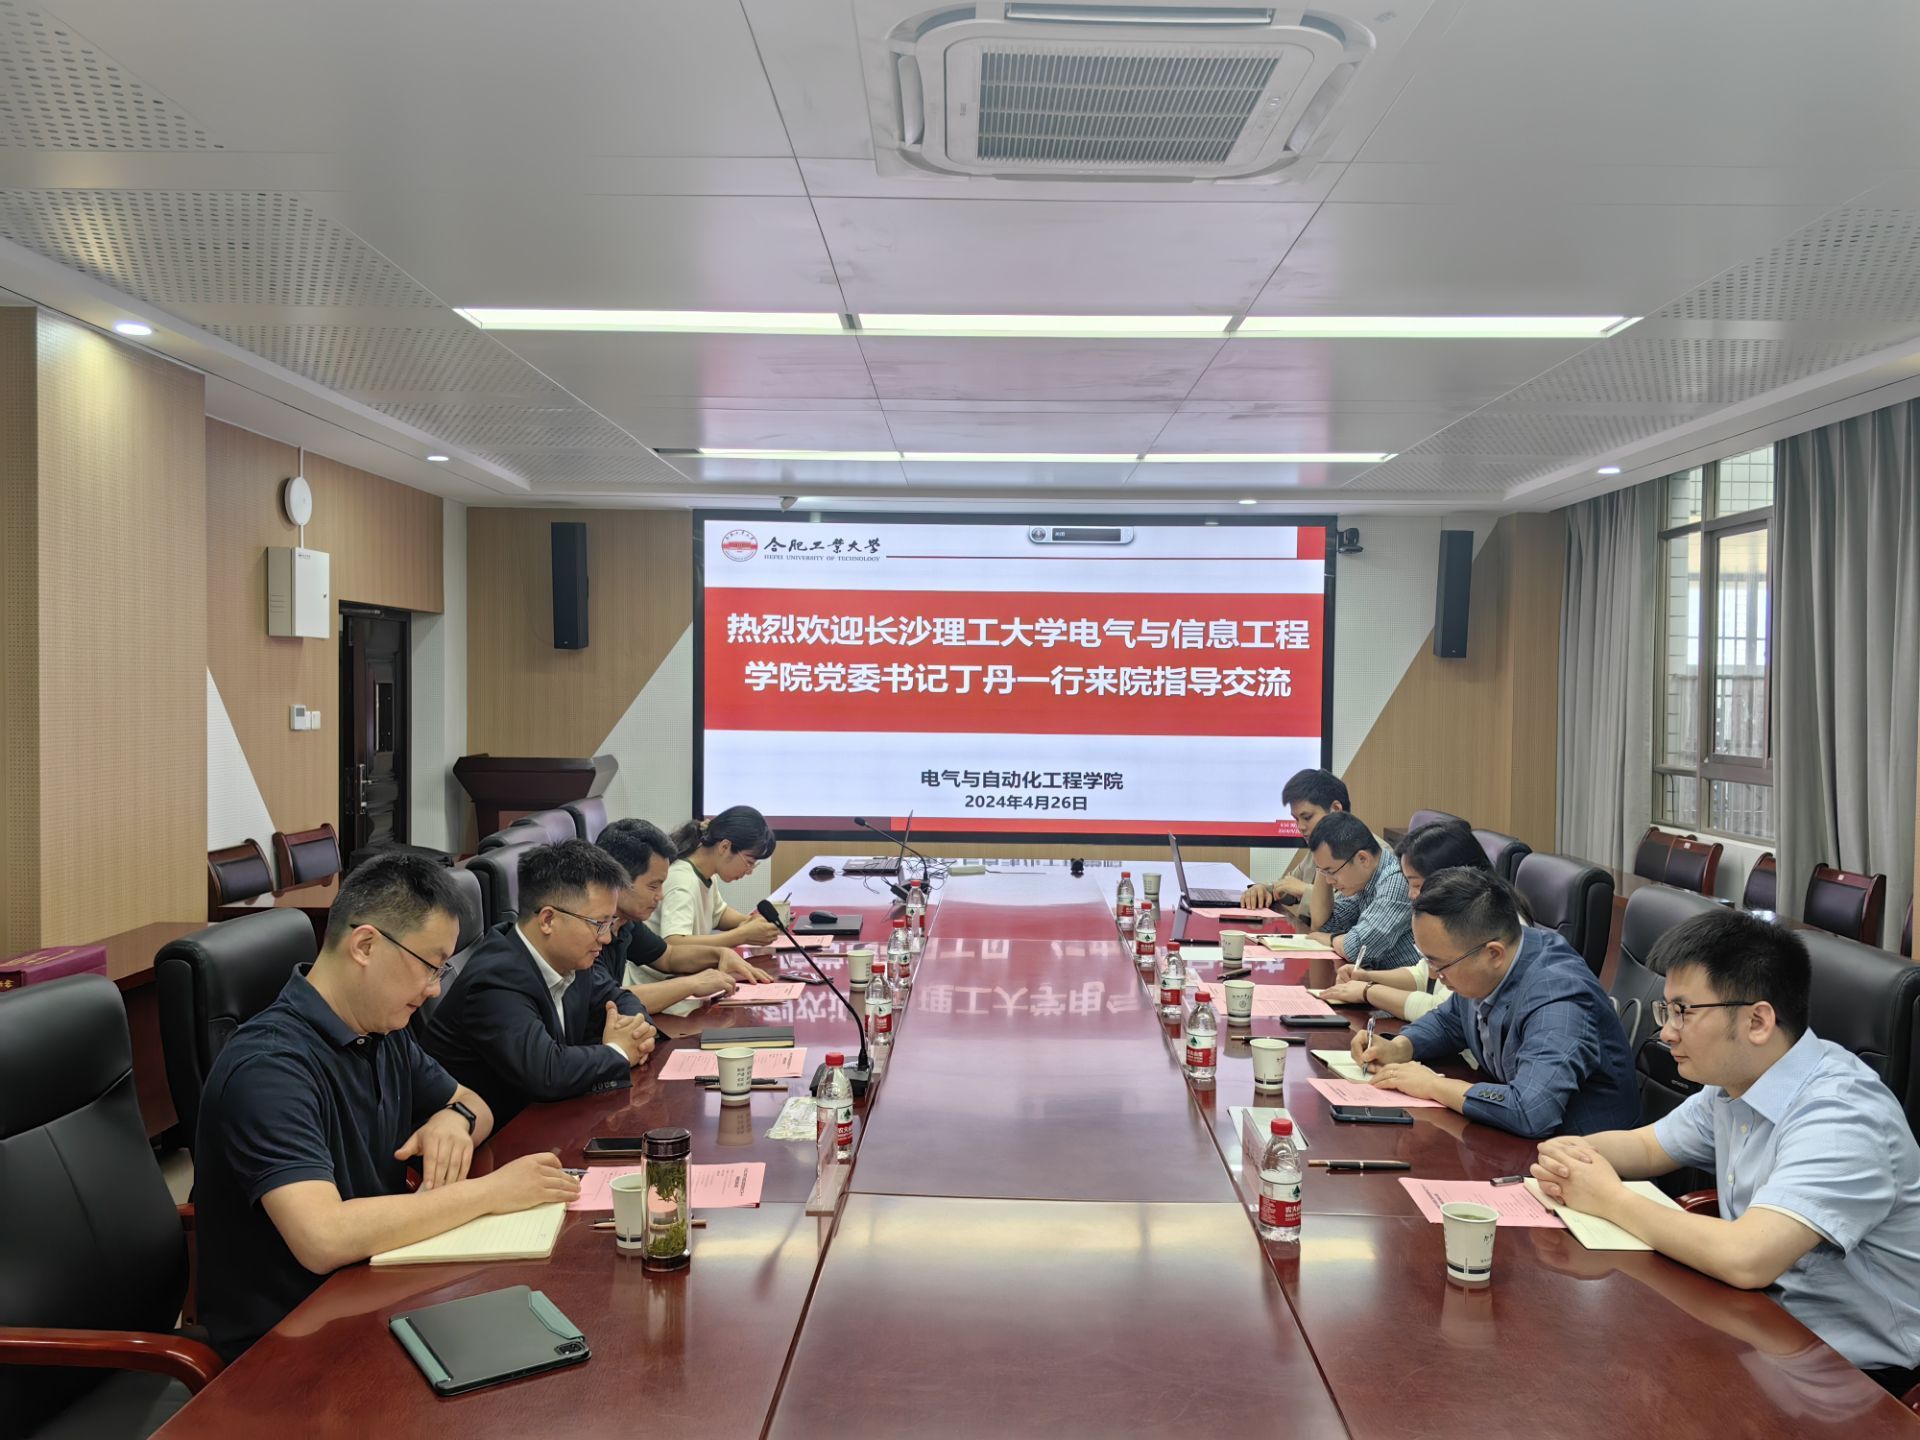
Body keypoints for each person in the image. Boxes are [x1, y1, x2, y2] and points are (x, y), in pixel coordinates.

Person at [194, 854, 581, 1358]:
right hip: (289, 1342)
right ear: (365, 945)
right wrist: (492, 1192)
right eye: (430, 965)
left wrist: (453, 1119)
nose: (435, 988)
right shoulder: (268, 1068)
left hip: (374, 1292)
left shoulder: (379, 1027)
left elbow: (473, 1103)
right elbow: (323, 1238)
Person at [1530, 910, 1920, 1393]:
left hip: (1852, 1379)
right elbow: (1648, 1146)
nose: (1666, 1032)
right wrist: (1572, 1153)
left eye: (1683, 1012)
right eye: (1666, 1011)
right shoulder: (1738, 1080)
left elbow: (1746, 1257)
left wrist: (1608, 1197)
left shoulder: (1843, 1116)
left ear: (1758, 1021)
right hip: (1756, 1325)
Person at [1352, 867, 1636, 1138]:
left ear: (1494, 954)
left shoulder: (1558, 994)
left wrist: (1434, 1085)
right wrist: (1400, 1047)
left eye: (1439, 965)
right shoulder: (1488, 962)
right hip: (1517, 1144)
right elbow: (1450, 1020)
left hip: (1586, 1156)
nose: (1434, 975)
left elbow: (1530, 1110)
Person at [420, 840, 658, 1128]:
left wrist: (636, 1031)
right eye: (599, 924)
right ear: (548, 919)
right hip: (490, 1139)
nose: (606, 938)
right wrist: (619, 1052)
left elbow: (620, 998)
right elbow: (547, 1072)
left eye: (610, 923)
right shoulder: (494, 979)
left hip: (551, 1123)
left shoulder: (574, 958)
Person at [1320, 820, 1532, 1020]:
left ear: (1452, 875)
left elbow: (1441, 1011)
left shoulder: (1490, 920)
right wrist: (1367, 977)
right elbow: (1424, 974)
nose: (1411, 895)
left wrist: (1367, 991)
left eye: (1417, 885)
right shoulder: (1454, 911)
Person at [596, 818, 772, 1007]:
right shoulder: (590, 932)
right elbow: (609, 1000)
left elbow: (668, 956)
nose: (661, 896)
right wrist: (693, 984)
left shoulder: (623, 922)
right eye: (653, 886)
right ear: (617, 881)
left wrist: (720, 954)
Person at [1297, 811, 1420, 970]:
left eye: (1331, 872)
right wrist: (1323, 868)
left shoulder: (1397, 881)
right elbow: (1324, 925)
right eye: (1324, 872)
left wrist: (1332, 939)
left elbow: (1357, 949)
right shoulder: (1363, 880)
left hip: (1413, 984)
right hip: (1376, 976)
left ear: (1363, 859)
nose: (1329, 881)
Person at [657, 806, 781, 952]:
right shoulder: (682, 881)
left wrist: (748, 922)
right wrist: (742, 935)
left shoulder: (706, 873)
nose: (749, 872)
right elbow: (674, 944)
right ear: (724, 847)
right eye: (749, 862)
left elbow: (718, 914)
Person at [1240, 768, 1357, 912]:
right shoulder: (1320, 847)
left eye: (1307, 817)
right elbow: (1288, 886)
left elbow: (1350, 912)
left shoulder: (1366, 853)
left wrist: (1304, 890)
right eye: (1296, 819)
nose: (1300, 827)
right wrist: (1262, 889)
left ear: (1336, 809)